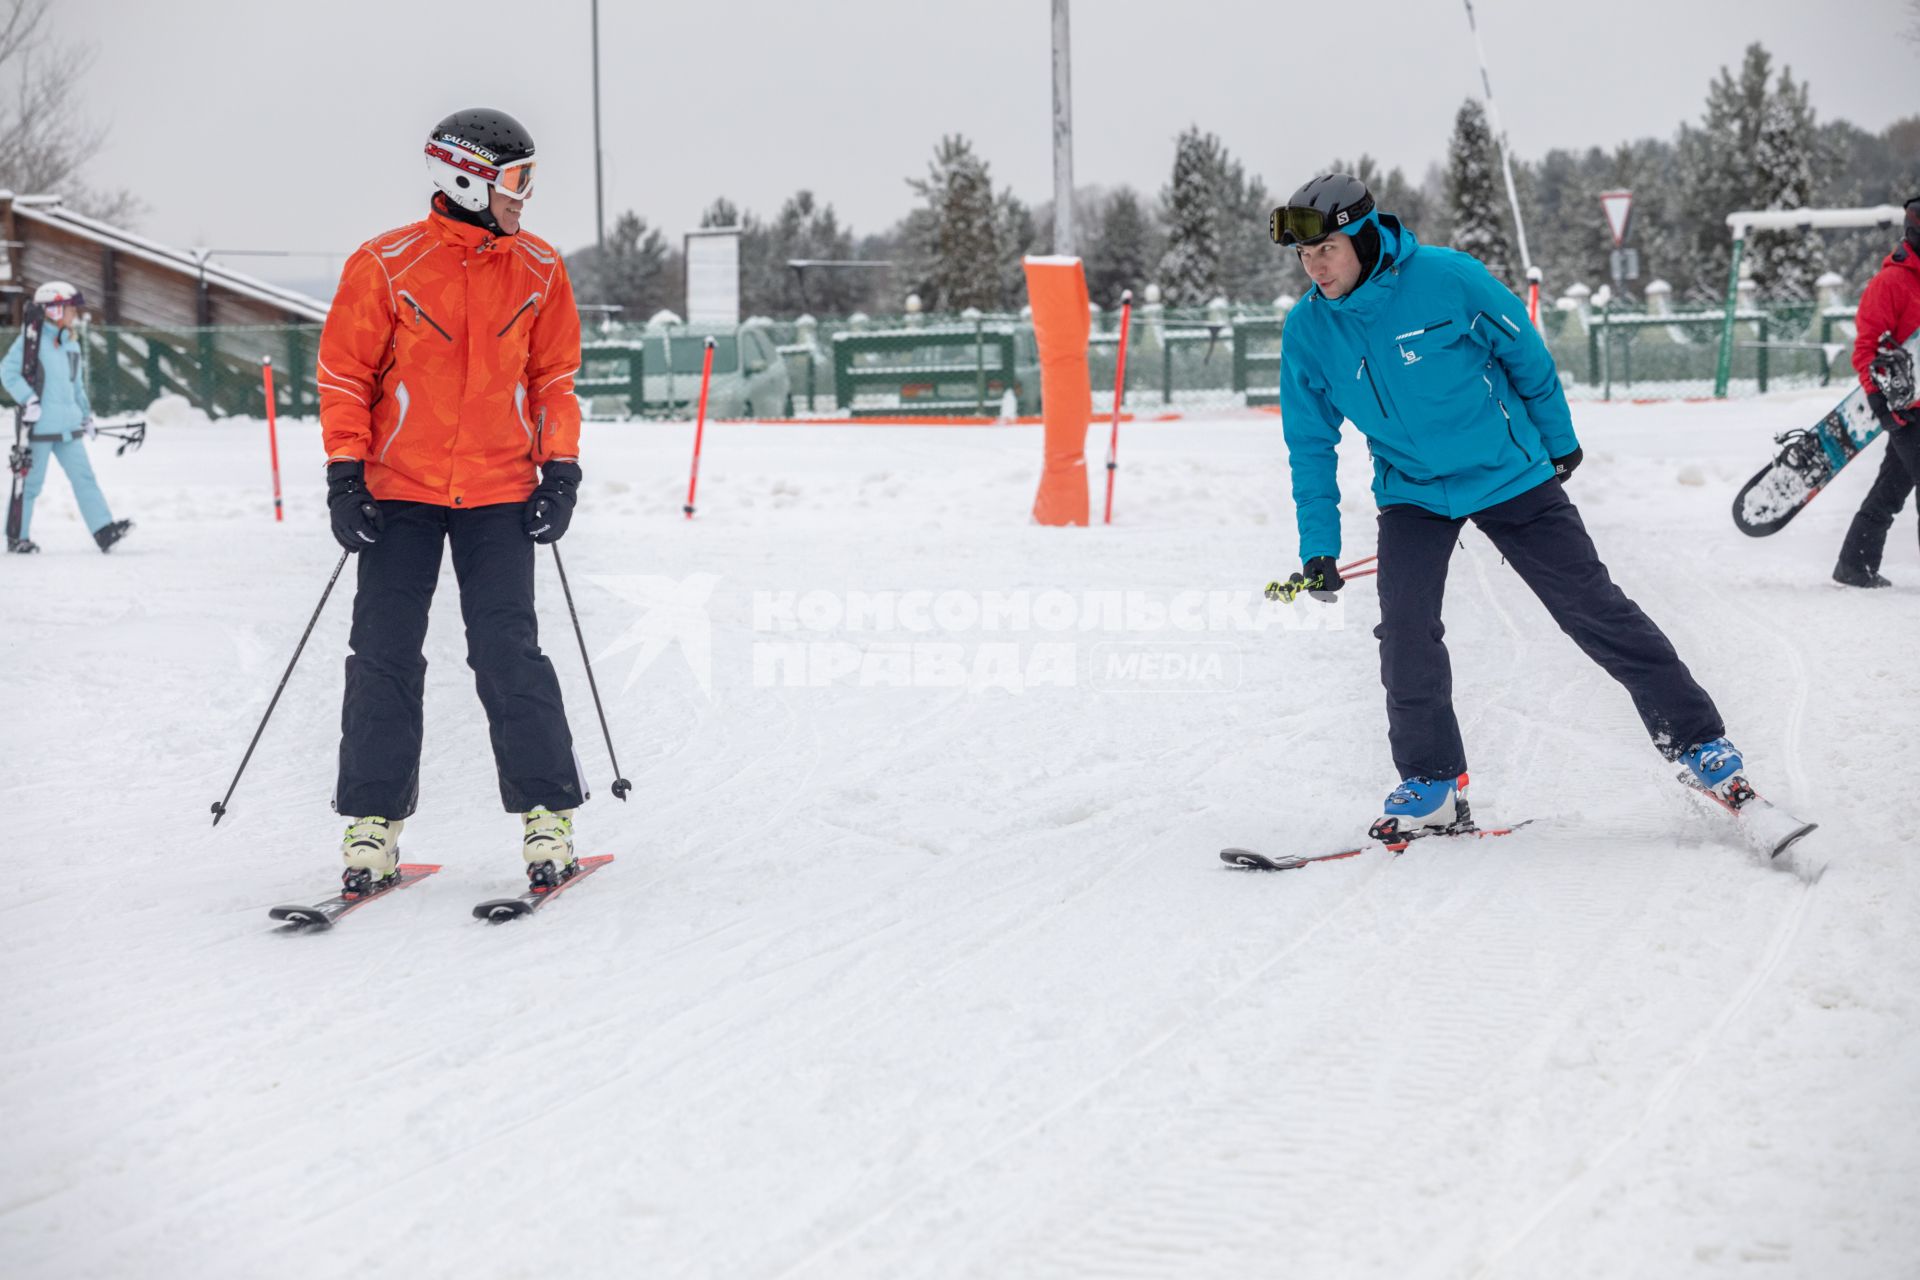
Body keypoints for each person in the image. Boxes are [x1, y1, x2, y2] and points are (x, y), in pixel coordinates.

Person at [1272, 173, 1747, 843]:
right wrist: (1316, 546)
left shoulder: (1446, 279)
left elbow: (1523, 352)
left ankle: (1700, 743)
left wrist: (1558, 442)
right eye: (1303, 256)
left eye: (1325, 249)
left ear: (1362, 236)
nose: (1314, 267)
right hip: (1412, 491)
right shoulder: (1310, 330)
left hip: (1508, 473)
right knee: (1405, 631)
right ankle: (1432, 783)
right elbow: (1309, 444)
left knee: (1592, 608)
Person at [317, 108, 587, 894]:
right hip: (400, 493)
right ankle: (373, 827)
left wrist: (560, 470)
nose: (524, 198)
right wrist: (345, 474)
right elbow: (344, 378)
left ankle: (549, 815)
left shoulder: (539, 268)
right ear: (464, 178)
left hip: (500, 491)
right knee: (383, 654)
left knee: (507, 651)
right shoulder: (386, 264)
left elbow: (552, 381)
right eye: (516, 181)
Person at [1, 282, 133, 554]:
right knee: (30, 484)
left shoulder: (70, 343)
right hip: (39, 428)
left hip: (69, 427)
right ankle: (17, 538)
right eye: (72, 308)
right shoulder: (30, 341)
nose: (76, 313)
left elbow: (76, 387)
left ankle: (104, 530)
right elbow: (7, 372)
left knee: (85, 478)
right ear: (55, 309)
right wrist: (29, 399)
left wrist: (86, 417)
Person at [1831, 196, 1920, 589]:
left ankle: (1855, 564)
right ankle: (1855, 565)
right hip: (1907, 409)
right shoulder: (1890, 283)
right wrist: (1877, 401)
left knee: (1891, 488)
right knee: (1895, 488)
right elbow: (1866, 347)